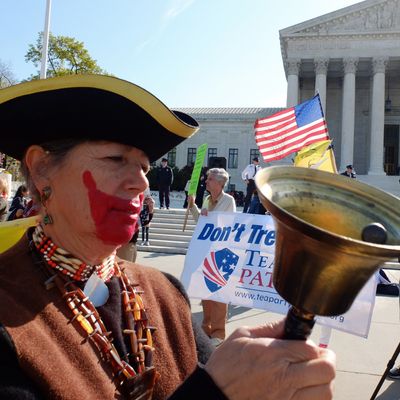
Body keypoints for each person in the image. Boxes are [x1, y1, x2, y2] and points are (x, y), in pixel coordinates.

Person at [0, 75, 335, 400]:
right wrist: (215, 393)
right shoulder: (8, 313)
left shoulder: (165, 294)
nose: (141, 183)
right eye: (116, 159)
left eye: (144, 167)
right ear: (42, 167)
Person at [188, 168, 236, 347]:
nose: (206, 182)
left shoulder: (228, 201)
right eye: (207, 179)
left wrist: (209, 218)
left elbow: (225, 224)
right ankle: (206, 328)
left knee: (219, 294)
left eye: (209, 179)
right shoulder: (208, 200)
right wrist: (193, 206)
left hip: (222, 253)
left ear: (220, 183)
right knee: (205, 293)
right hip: (206, 252)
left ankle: (218, 333)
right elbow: (201, 224)